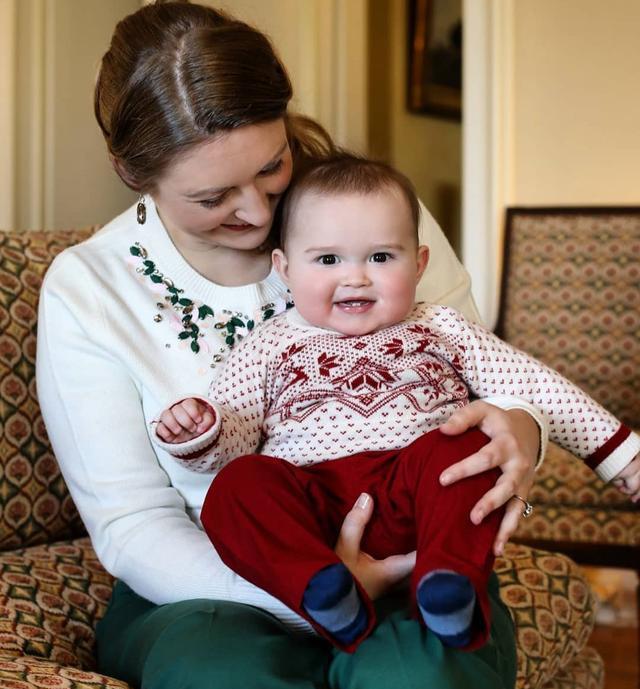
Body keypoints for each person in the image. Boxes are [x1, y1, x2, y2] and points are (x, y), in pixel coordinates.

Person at [36, 2, 551, 689]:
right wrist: (305, 597)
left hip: (409, 554)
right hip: (206, 586)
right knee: (229, 685)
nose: (255, 210)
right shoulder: (89, 288)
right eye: (215, 196)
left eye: (272, 167)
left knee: (417, 682)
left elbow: (484, 380)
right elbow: (133, 525)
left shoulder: (373, 213)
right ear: (134, 173)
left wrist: (524, 429)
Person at [153, 154, 640, 656]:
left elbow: (533, 385)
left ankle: (448, 584)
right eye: (327, 260)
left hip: (420, 492)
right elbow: (234, 440)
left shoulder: (440, 326)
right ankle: (321, 589)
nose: (356, 278)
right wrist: (201, 431)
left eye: (381, 257)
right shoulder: (268, 344)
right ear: (285, 269)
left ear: (419, 262)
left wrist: (624, 457)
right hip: (314, 503)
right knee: (235, 489)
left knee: (470, 445)